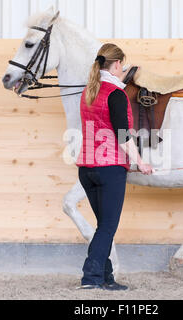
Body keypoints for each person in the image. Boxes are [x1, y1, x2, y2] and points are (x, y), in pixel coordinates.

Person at [75, 43, 154, 290]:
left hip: (87, 168)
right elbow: (122, 134)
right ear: (118, 64)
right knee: (108, 227)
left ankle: (105, 277)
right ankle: (90, 277)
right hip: (109, 168)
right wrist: (140, 162)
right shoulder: (116, 94)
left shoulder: (89, 91)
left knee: (103, 228)